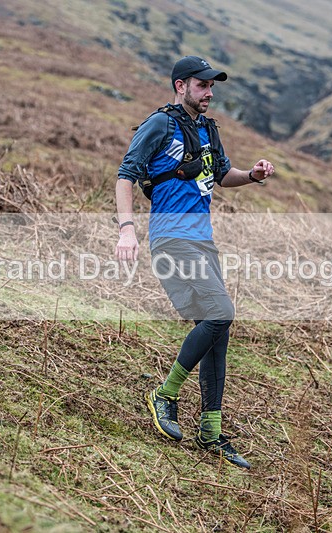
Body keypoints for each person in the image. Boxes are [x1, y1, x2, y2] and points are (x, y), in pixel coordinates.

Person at [115, 55, 275, 469]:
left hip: (203, 242)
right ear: (181, 85)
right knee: (221, 314)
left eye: (212, 87)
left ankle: (210, 431)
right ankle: (164, 395)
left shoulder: (207, 129)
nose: (209, 93)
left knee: (218, 331)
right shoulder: (160, 124)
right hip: (171, 238)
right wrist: (127, 229)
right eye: (202, 85)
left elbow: (223, 176)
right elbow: (125, 175)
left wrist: (253, 175)